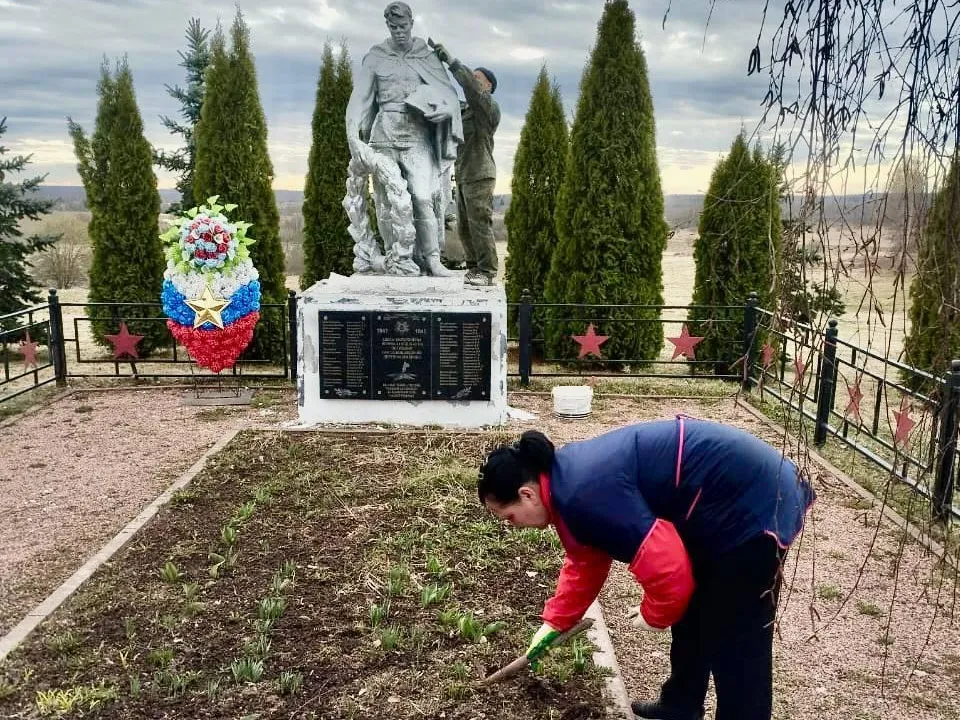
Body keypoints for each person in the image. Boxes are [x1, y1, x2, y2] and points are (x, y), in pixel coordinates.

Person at [477, 415, 815, 720]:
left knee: (739, 638)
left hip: (755, 502)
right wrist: (554, 623)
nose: (512, 526)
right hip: (715, 503)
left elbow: (668, 567)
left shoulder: (582, 492)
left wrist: (654, 614)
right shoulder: (565, 485)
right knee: (695, 610)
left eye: (509, 517)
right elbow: (586, 560)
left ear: (527, 494)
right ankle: (681, 704)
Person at [345, 2, 463, 277]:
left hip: (417, 136)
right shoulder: (376, 57)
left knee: (422, 198)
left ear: (412, 23)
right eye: (394, 27)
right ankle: (395, 259)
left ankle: (433, 260)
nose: (399, 32)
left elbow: (449, 97)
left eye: (404, 26)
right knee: (387, 203)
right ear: (388, 27)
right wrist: (353, 136)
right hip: (383, 134)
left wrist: (445, 109)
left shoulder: (426, 55)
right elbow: (359, 100)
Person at [429, 41, 501, 286]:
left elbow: (469, 87)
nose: (473, 78)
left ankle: (488, 271)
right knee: (464, 227)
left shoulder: (487, 108)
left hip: (480, 175)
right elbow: (446, 99)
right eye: (473, 75)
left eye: (477, 77)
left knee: (479, 224)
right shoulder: (465, 110)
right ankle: (474, 269)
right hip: (464, 176)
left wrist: (452, 62)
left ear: (488, 86)